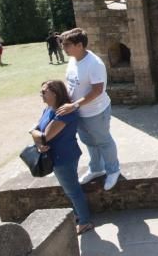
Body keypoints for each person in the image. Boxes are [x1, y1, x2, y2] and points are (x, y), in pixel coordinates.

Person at [57, 28, 121, 191]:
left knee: (103, 141)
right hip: (79, 112)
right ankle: (97, 169)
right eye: (63, 44)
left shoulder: (94, 63)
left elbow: (97, 90)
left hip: (95, 111)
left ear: (79, 45)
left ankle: (113, 170)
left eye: (67, 45)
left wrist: (74, 105)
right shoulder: (73, 60)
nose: (63, 48)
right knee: (89, 142)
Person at [30, 79, 94, 235]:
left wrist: (33, 134)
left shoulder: (64, 112)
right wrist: (37, 140)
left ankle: (85, 221)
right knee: (70, 188)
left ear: (55, 93)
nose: (41, 94)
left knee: (72, 190)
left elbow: (44, 135)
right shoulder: (48, 109)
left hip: (64, 156)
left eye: (44, 92)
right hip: (59, 155)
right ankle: (80, 216)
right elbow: (39, 129)